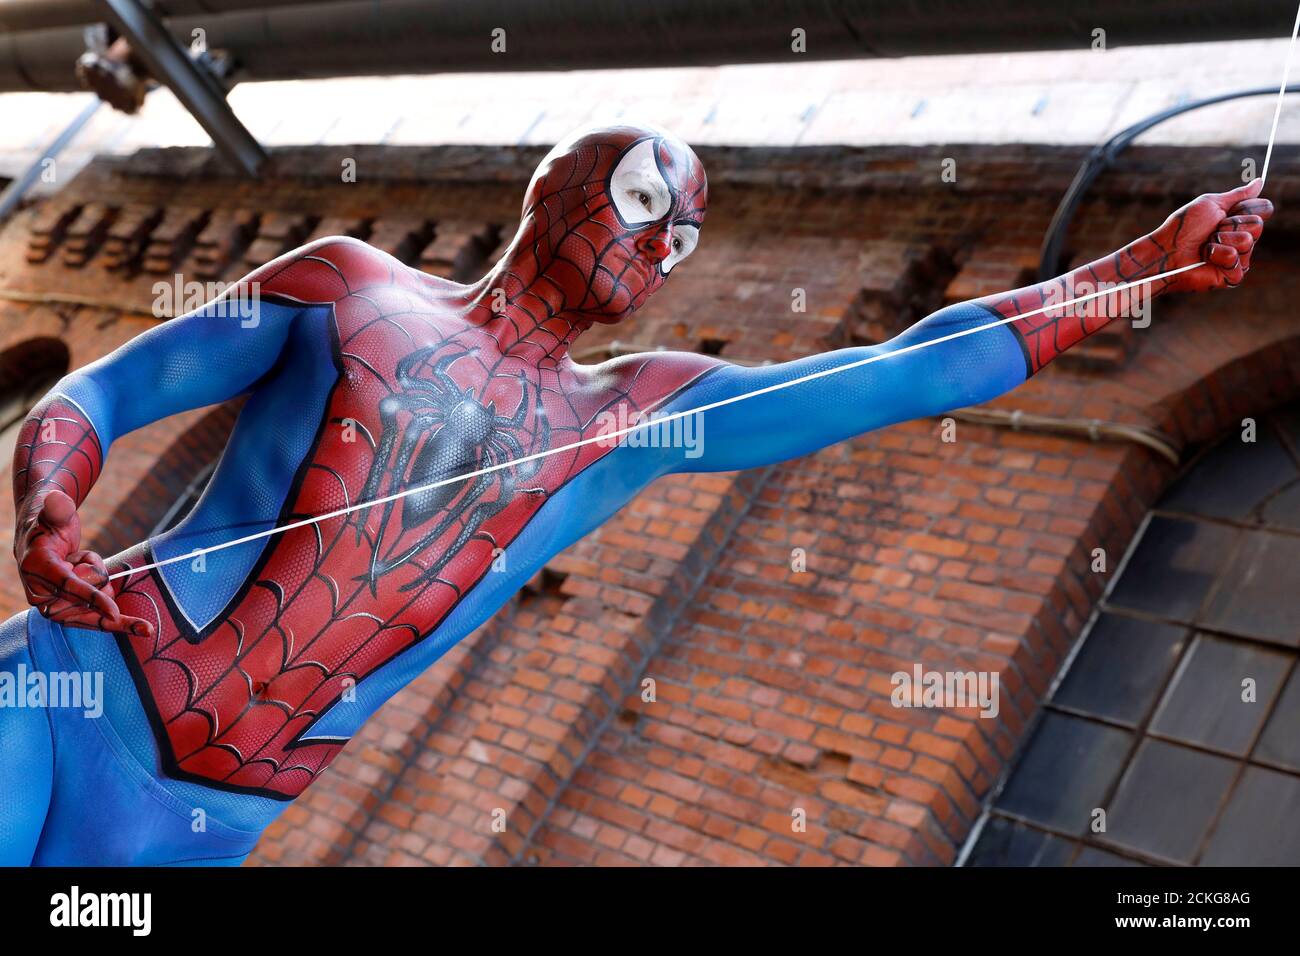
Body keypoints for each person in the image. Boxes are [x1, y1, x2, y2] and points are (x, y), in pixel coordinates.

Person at [0, 123, 1272, 864]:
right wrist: (50, 496)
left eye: (684, 237)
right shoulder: (346, 287)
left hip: (203, 819)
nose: (660, 242)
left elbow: (896, 372)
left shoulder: (629, 416)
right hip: (65, 687)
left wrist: (1139, 267)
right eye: (646, 198)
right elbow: (111, 388)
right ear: (553, 189)